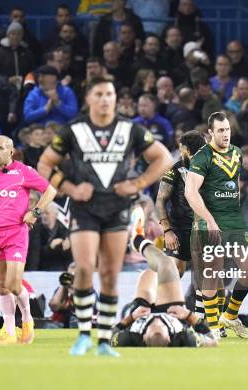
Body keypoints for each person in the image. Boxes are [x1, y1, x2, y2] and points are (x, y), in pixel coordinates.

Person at [37, 74, 172, 357]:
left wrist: (136, 184)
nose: (104, 99)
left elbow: (163, 158)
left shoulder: (130, 129)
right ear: (88, 99)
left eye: (109, 94)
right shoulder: (73, 130)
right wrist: (71, 188)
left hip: (117, 209)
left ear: (115, 98)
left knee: (110, 273)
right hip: (85, 209)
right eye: (98, 94)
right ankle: (84, 335)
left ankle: (103, 342)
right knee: (84, 267)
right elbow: (45, 163)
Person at [0, 136, 57, 345]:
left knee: (13, 284)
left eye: (0, 148)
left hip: (16, 234)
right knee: (1, 286)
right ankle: (10, 332)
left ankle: (27, 319)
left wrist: (35, 212)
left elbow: (50, 191)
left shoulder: (23, 171)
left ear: (10, 151)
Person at [184, 111, 248, 339]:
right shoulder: (202, 157)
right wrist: (208, 219)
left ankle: (230, 315)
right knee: (212, 274)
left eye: (228, 129)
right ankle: (214, 327)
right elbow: (190, 192)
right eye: (221, 130)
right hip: (210, 218)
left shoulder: (236, 152)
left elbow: (233, 182)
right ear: (210, 133)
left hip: (233, 218)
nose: (226, 134)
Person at [111, 219, 217, 348]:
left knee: (152, 271)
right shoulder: (183, 337)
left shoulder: (131, 337)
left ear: (144, 337)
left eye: (153, 331)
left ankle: (138, 241)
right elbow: (212, 340)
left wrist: (130, 318)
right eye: (160, 329)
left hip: (142, 312)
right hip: (172, 312)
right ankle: (140, 242)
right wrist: (189, 316)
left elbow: (108, 337)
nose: (157, 324)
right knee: (165, 264)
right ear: (169, 338)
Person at [156, 130, 206, 275]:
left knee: (207, 274)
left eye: (180, 148)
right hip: (179, 229)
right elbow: (160, 200)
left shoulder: (213, 170)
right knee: (174, 271)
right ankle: (166, 297)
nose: (179, 151)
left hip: (204, 229)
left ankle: (199, 297)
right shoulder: (176, 169)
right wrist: (167, 230)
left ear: (187, 150)